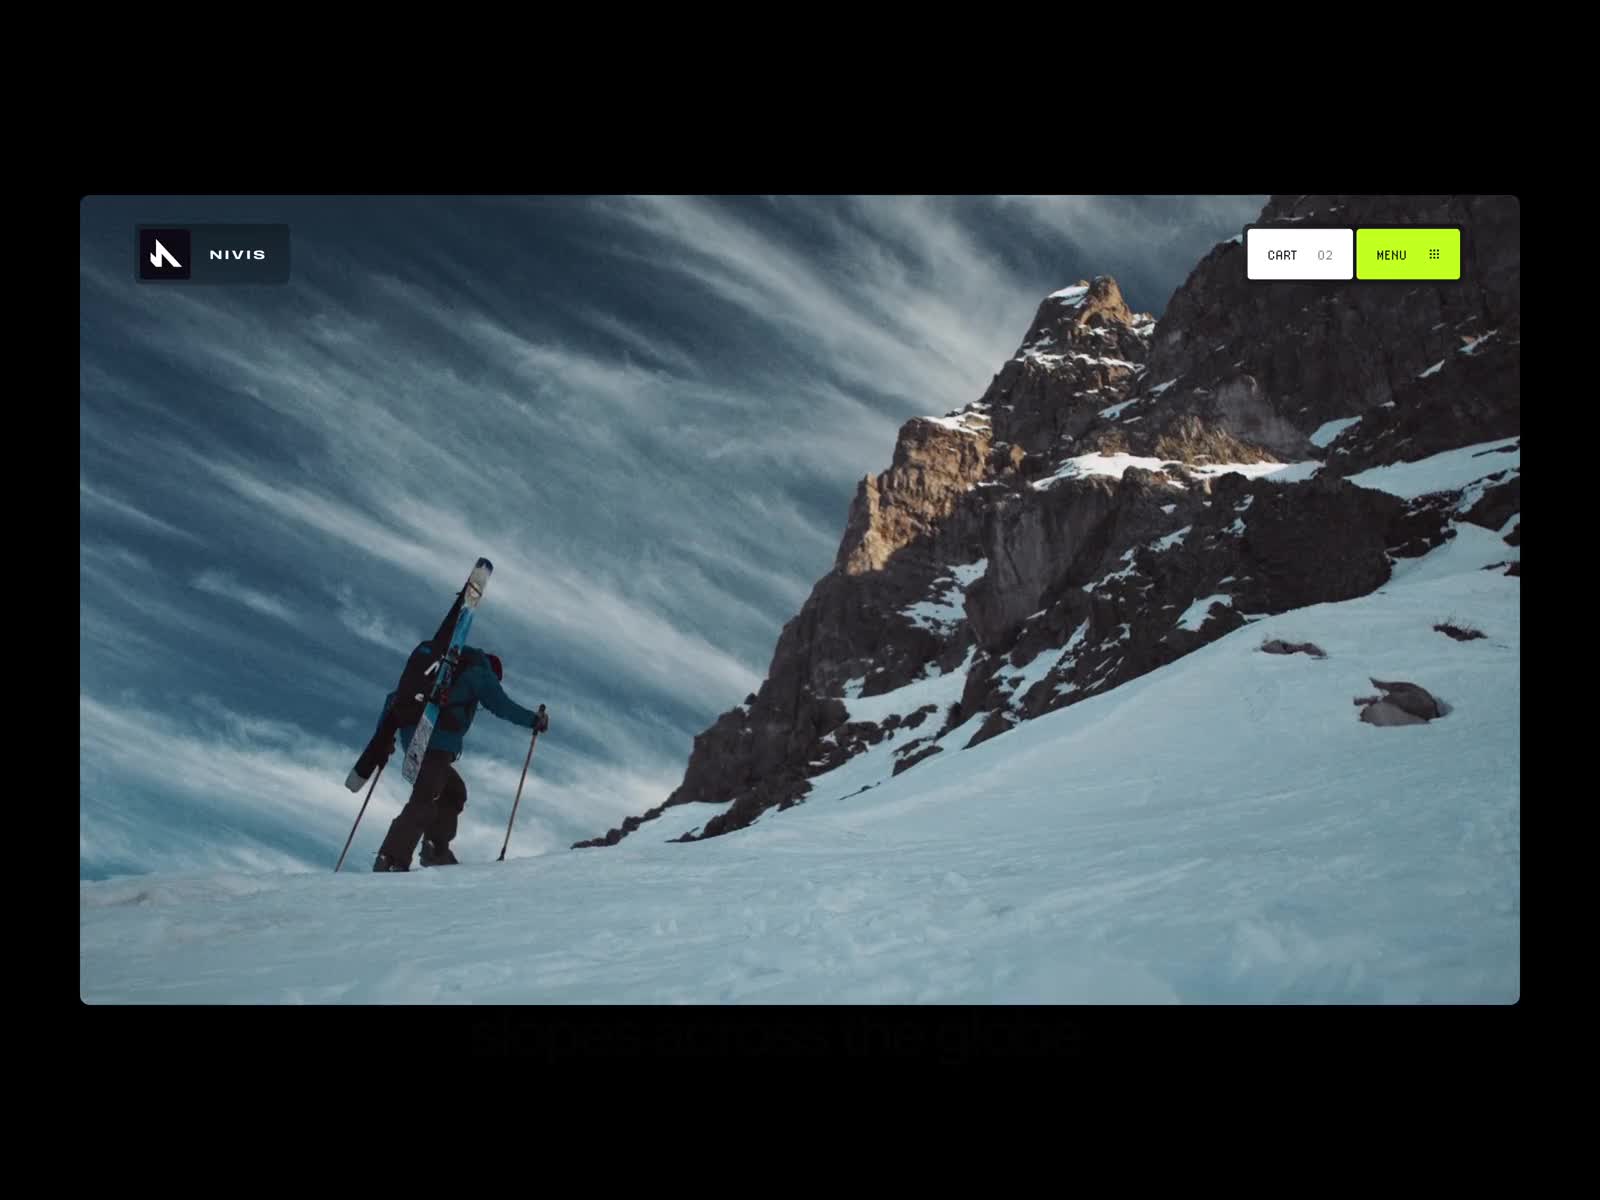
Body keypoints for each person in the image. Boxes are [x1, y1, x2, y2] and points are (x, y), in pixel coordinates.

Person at [369, 645, 550, 872]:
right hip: (437, 741)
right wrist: (534, 720)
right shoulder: (481, 672)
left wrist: (384, 740)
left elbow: (394, 699)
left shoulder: (439, 669)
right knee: (425, 797)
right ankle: (392, 858)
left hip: (413, 738)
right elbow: (502, 705)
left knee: (453, 791)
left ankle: (435, 847)